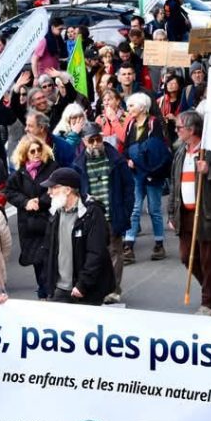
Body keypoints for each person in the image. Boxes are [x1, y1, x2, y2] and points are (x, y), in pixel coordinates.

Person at [170, 111, 211, 314]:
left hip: (209, 213)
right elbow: (174, 184)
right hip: (186, 213)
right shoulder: (180, 152)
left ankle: (209, 302)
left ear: (192, 129)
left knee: (209, 259)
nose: (176, 131)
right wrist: (172, 213)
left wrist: (210, 171)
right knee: (185, 256)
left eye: (179, 127)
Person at [72, 123, 133, 302]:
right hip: (91, 217)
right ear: (84, 142)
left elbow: (129, 186)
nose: (96, 143)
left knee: (115, 252)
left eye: (98, 139)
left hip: (113, 214)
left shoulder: (116, 159)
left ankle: (113, 290)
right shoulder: (78, 164)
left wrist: (126, 211)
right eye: (91, 140)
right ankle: (98, 287)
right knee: (94, 253)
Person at [42, 167, 116, 304]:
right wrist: (48, 282)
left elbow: (96, 253)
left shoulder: (92, 213)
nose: (49, 192)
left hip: (85, 289)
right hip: (60, 288)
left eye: (53, 188)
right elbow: (49, 249)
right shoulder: (56, 213)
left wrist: (82, 284)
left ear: (68, 190)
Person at [7, 136, 59, 299]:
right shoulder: (20, 173)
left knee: (51, 258)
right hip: (28, 224)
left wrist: (41, 201)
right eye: (32, 151)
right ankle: (43, 291)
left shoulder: (51, 167)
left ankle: (52, 291)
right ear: (25, 154)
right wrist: (25, 202)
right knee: (37, 260)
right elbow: (9, 192)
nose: (37, 154)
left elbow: (57, 188)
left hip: (48, 220)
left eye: (39, 150)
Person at [123, 92, 170, 264]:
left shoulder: (153, 123)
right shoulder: (130, 125)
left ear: (142, 107)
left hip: (152, 173)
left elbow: (155, 149)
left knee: (154, 209)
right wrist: (128, 158)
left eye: (131, 106)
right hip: (136, 173)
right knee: (134, 209)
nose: (129, 109)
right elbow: (127, 147)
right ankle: (129, 245)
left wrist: (137, 156)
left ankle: (159, 244)